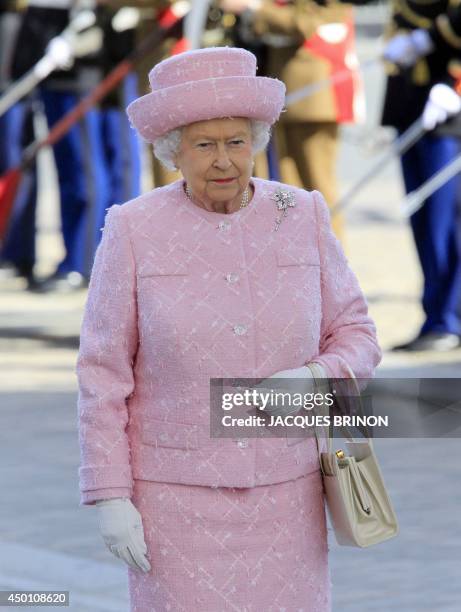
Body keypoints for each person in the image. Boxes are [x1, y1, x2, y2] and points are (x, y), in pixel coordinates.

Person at [76, 47, 381, 611]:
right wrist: (110, 496)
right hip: (175, 500)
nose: (224, 161)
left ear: (257, 142)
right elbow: (102, 374)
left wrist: (316, 376)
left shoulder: (301, 213)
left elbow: (359, 334)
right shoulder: (133, 229)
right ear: (173, 151)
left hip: (288, 495)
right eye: (204, 144)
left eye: (236, 142)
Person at [219, 0, 365, 244]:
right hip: (288, 92)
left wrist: (254, 8)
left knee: (319, 191)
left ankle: (333, 267)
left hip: (314, 93)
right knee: (290, 194)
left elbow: (305, 22)